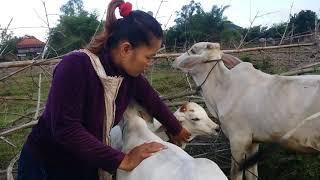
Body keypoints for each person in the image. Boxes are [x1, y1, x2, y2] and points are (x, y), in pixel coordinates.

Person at [17, 0, 191, 180]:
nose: (150, 63)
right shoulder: (76, 66)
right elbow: (65, 128)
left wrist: (177, 129)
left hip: (84, 161)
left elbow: (152, 100)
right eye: (148, 57)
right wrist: (122, 160)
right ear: (126, 49)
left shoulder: (129, 77)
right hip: (46, 165)